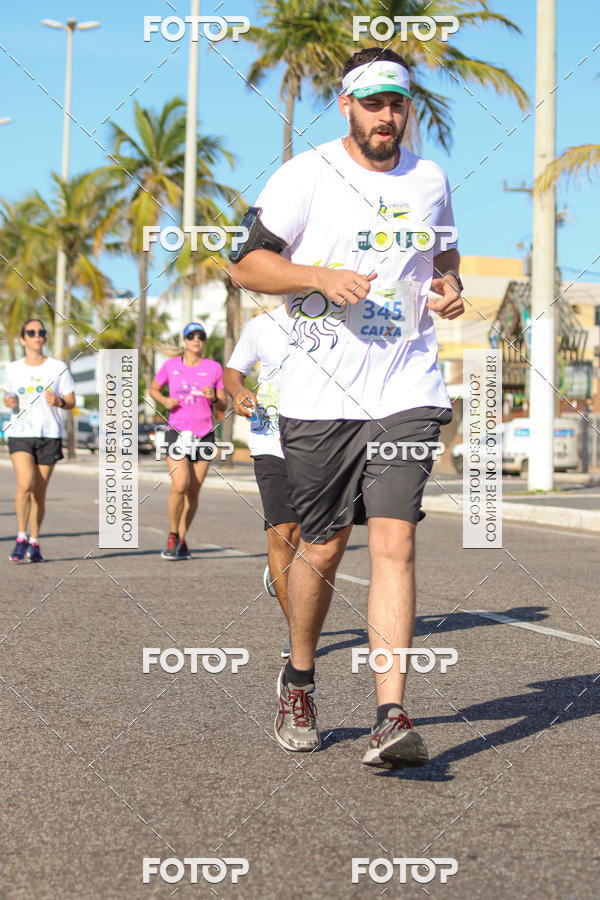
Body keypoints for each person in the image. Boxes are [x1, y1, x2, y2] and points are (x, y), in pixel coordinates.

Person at [229, 47, 465, 769]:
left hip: (406, 385)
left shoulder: (430, 179)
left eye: (398, 103)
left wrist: (450, 291)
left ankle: (391, 714)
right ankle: (299, 676)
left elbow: (444, 261)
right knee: (324, 545)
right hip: (317, 392)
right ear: (347, 106)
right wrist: (317, 276)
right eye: (374, 103)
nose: (387, 116)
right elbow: (246, 264)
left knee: (394, 539)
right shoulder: (306, 175)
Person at [224, 304, 299, 658]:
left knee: (314, 538)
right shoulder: (261, 326)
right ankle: (297, 629)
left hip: (324, 439)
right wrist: (238, 393)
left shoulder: (339, 320)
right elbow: (233, 373)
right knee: (283, 533)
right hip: (270, 438)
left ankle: (280, 573)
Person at [149, 322, 227, 560]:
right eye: (191, 336)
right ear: (184, 340)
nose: (197, 340)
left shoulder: (214, 368)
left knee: (194, 491)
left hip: (204, 434)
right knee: (180, 485)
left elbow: (223, 405)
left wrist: (214, 397)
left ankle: (182, 537)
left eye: (201, 336)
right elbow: (153, 389)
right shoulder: (170, 366)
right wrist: (163, 400)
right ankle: (173, 533)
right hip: (177, 432)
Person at [2, 318, 76, 562]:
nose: (37, 335)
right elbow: (8, 397)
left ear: (44, 338)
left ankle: (34, 541)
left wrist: (59, 402)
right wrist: (9, 402)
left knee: (39, 494)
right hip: (20, 433)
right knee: (25, 484)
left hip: (49, 434)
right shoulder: (12, 368)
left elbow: (71, 401)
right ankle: (21, 536)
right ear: (23, 339)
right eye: (31, 332)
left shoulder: (57, 367)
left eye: (41, 332)